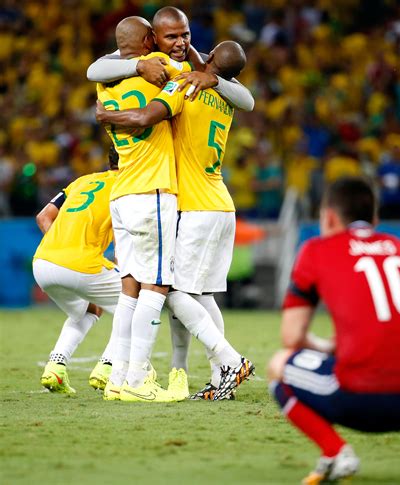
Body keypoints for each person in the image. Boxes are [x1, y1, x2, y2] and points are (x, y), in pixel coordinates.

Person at [267, 177, 400, 484]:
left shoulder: (316, 249)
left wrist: (328, 347)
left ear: (328, 216)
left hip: (360, 400)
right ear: (375, 219)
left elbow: (292, 336)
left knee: (279, 366)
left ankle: (336, 452)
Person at [96, 40, 255, 401]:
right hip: (220, 204)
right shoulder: (226, 95)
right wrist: (205, 60)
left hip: (197, 206)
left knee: (174, 291)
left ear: (210, 59)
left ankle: (230, 361)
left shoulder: (188, 85)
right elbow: (243, 94)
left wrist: (108, 115)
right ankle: (221, 377)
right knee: (203, 296)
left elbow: (145, 116)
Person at [97, 16, 185, 403]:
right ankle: (136, 380)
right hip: (152, 191)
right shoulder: (163, 73)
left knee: (129, 285)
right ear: (150, 39)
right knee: (158, 283)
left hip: (121, 192)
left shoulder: (105, 81)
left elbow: (96, 67)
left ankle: (117, 377)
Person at [34, 146, 121, 395]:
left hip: (43, 262)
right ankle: (109, 369)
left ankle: (56, 367)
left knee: (89, 308)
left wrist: (62, 248)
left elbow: (43, 217)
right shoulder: (128, 187)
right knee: (138, 303)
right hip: (81, 264)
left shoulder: (82, 180)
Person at [87, 7, 254, 113]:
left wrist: (214, 80)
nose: (181, 43)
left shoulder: (201, 62)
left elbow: (248, 102)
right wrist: (140, 65)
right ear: (154, 36)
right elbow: (93, 71)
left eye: (185, 35)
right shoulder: (141, 54)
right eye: (171, 37)